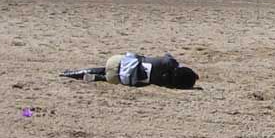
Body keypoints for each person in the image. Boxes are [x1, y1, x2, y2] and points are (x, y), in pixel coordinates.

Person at [60, 51, 198, 89]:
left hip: (117, 62)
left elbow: (168, 55)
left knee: (103, 68)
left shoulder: (167, 62)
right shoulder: (167, 85)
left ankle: (73, 73)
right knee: (106, 78)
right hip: (118, 79)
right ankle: (95, 78)